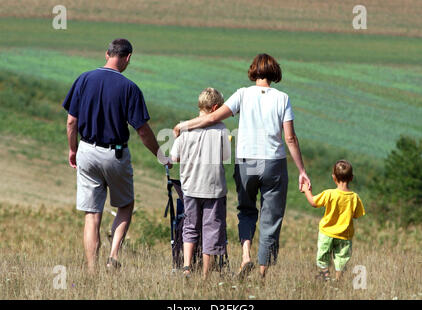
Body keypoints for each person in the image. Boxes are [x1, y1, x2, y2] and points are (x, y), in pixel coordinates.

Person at [173, 54, 311, 278]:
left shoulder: (243, 94)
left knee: (246, 210)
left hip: (247, 161)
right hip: (273, 162)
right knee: (271, 217)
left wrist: (183, 125)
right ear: (274, 72)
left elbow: (211, 118)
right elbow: (290, 138)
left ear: (253, 72)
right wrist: (302, 171)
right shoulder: (282, 98)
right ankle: (263, 272)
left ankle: (246, 253)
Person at [63, 38, 171, 273]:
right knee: (125, 205)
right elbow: (142, 130)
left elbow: (72, 121)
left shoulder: (84, 79)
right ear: (128, 58)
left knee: (92, 214)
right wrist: (160, 155)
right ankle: (113, 256)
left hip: (86, 150)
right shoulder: (129, 88)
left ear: (107, 54)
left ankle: (92, 269)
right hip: (115, 154)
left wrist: (73, 149)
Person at [170, 88, 231, 279]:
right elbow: (226, 157)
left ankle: (187, 266)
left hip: (190, 186)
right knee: (212, 229)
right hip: (213, 188)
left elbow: (174, 157)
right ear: (215, 108)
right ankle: (205, 274)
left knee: (190, 226)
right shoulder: (222, 130)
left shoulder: (185, 129)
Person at [301, 160, 365, 281]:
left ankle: (325, 276)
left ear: (333, 177)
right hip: (345, 235)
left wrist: (306, 190)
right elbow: (356, 215)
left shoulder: (329, 193)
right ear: (351, 178)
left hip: (327, 233)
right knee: (341, 259)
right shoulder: (355, 197)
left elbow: (314, 203)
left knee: (322, 256)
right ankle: (338, 280)